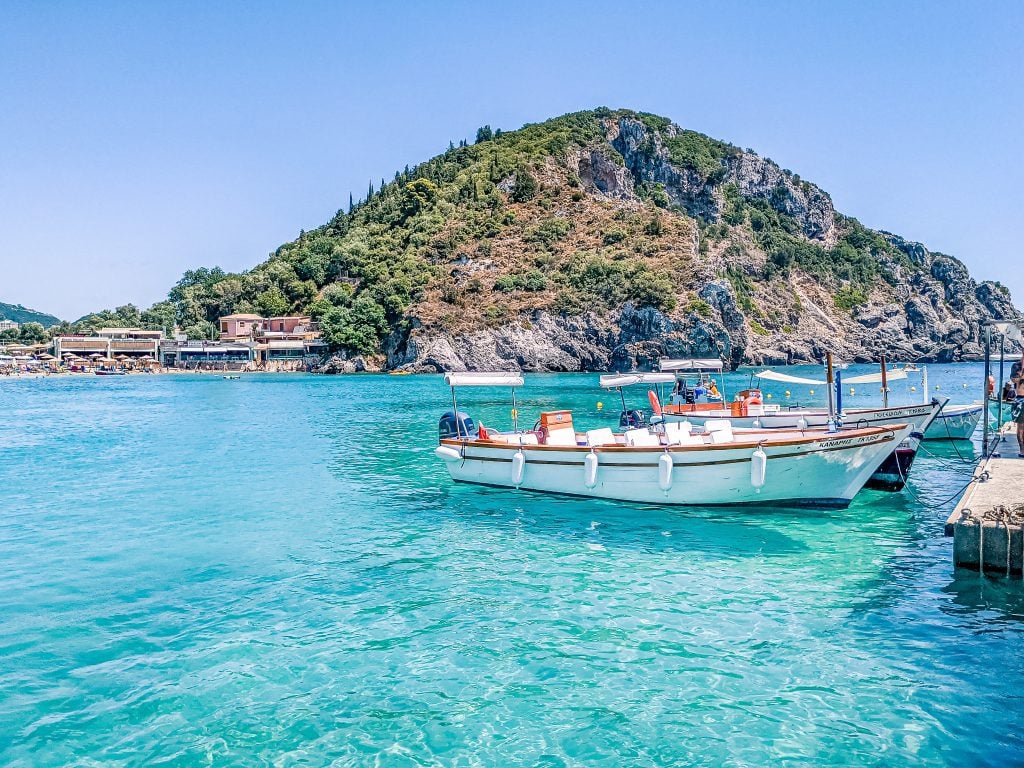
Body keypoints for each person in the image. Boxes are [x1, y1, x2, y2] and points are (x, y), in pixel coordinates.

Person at [1014, 351, 1024, 457]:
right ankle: (1022, 449)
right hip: (1021, 398)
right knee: (1021, 425)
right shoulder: (1016, 366)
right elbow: (1014, 380)